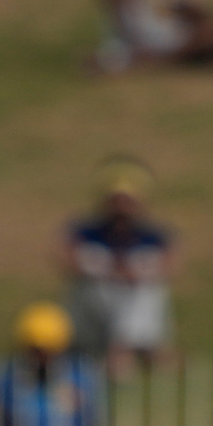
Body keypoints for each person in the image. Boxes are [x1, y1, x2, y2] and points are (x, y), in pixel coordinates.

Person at [62, 156, 176, 377]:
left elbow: (170, 264)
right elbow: (67, 258)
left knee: (145, 292)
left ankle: (135, 349)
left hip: (137, 302)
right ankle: (120, 353)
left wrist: (134, 273)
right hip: (95, 305)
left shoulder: (154, 237)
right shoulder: (85, 233)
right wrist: (108, 271)